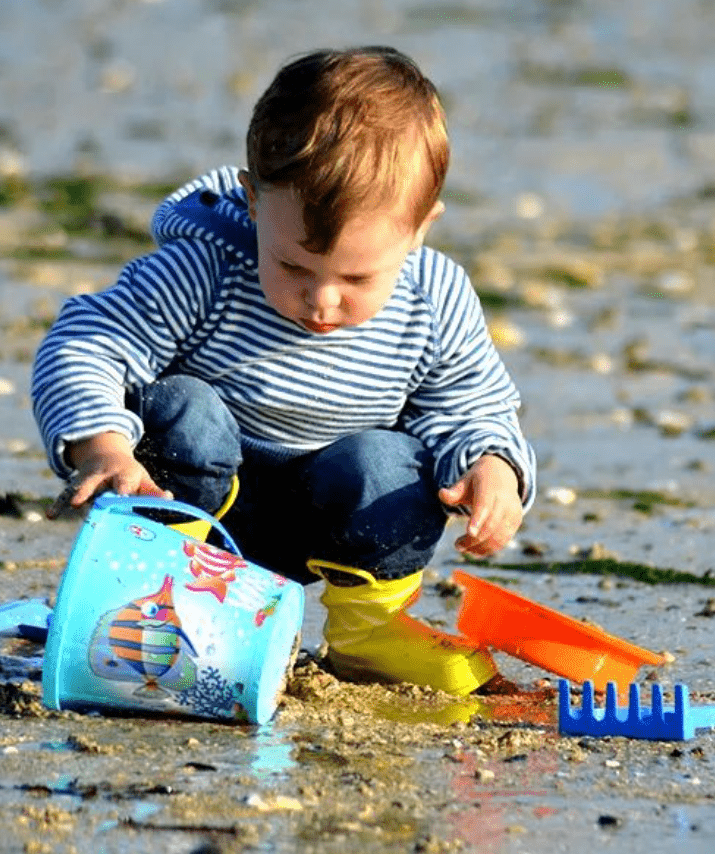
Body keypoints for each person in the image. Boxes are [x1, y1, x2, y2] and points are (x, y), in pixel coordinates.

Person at [30, 46, 537, 696]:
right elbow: (87, 341)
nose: (321, 300)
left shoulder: (433, 299)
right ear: (253, 200)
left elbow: (470, 407)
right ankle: (168, 608)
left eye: (356, 276)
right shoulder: (206, 271)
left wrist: (491, 464)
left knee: (390, 464)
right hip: (202, 513)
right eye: (293, 265)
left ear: (418, 229)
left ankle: (366, 634)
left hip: (332, 516)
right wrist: (100, 444)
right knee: (184, 409)